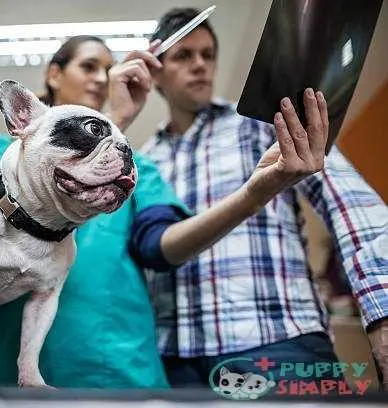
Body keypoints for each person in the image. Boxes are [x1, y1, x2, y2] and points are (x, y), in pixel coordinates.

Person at [0, 35, 329, 388]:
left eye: (108, 70)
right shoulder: (2, 150)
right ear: (54, 74)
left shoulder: (141, 167)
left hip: (112, 371)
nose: (100, 79)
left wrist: (254, 193)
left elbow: (162, 248)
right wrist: (112, 124)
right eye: (88, 66)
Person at [140, 8, 388, 388]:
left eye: (207, 54)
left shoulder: (263, 123)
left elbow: (352, 206)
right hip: (176, 357)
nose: (200, 65)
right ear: (155, 72)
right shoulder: (143, 162)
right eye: (183, 56)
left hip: (278, 342)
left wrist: (382, 312)